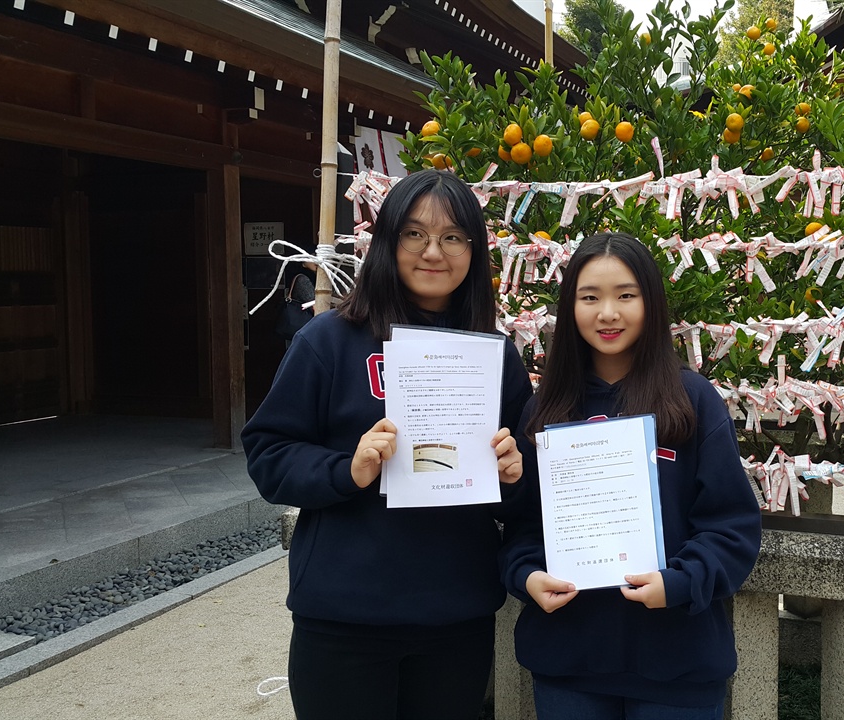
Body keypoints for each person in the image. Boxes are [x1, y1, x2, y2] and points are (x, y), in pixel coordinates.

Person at [242, 169, 533, 720]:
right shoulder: (327, 340)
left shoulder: (493, 356)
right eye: (414, 234)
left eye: (452, 237)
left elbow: (522, 499)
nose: (433, 251)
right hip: (345, 617)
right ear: (387, 241)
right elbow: (268, 452)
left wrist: (514, 474)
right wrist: (345, 469)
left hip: (456, 615)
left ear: (473, 251)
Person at [500, 232, 763, 719]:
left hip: (676, 663)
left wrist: (680, 582)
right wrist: (527, 574)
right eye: (589, 297)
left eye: (626, 295)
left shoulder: (693, 400)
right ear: (570, 306)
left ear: (651, 302)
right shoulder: (546, 410)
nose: (608, 314)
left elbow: (732, 528)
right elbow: (521, 528)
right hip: (570, 662)